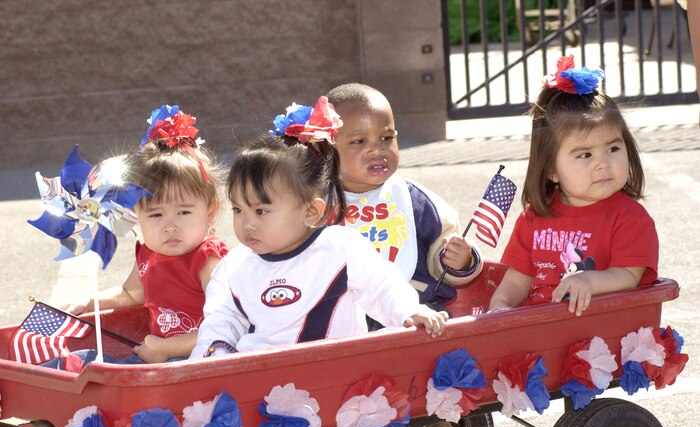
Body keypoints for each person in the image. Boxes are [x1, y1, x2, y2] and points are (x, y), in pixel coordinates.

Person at [190, 96, 448, 359]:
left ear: (311, 211)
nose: (247, 223)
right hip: (261, 379)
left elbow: (381, 286)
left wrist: (408, 311)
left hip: (338, 376)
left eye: (261, 211)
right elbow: (221, 321)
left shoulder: (340, 248)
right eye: (238, 210)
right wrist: (214, 351)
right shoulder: (232, 268)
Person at [46, 105, 229, 369]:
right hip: (157, 354)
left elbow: (225, 326)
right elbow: (130, 295)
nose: (170, 226)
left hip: (200, 361)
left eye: (184, 212)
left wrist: (165, 348)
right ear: (136, 215)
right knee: (83, 361)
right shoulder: (149, 254)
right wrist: (89, 301)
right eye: (155, 215)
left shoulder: (208, 261)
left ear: (210, 211)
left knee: (114, 377)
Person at [488, 55, 659, 316]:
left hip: (599, 332)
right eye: (585, 155)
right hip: (539, 331)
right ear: (551, 170)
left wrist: (588, 280)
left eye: (613, 148)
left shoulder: (630, 218)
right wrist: (500, 305)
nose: (603, 163)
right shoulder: (535, 217)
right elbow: (517, 279)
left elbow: (628, 275)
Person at [325, 83, 482, 323]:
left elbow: (444, 243)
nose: (377, 150)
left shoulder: (413, 199)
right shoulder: (316, 205)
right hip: (345, 318)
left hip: (418, 311)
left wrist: (459, 260)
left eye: (386, 138)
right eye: (359, 142)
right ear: (328, 148)